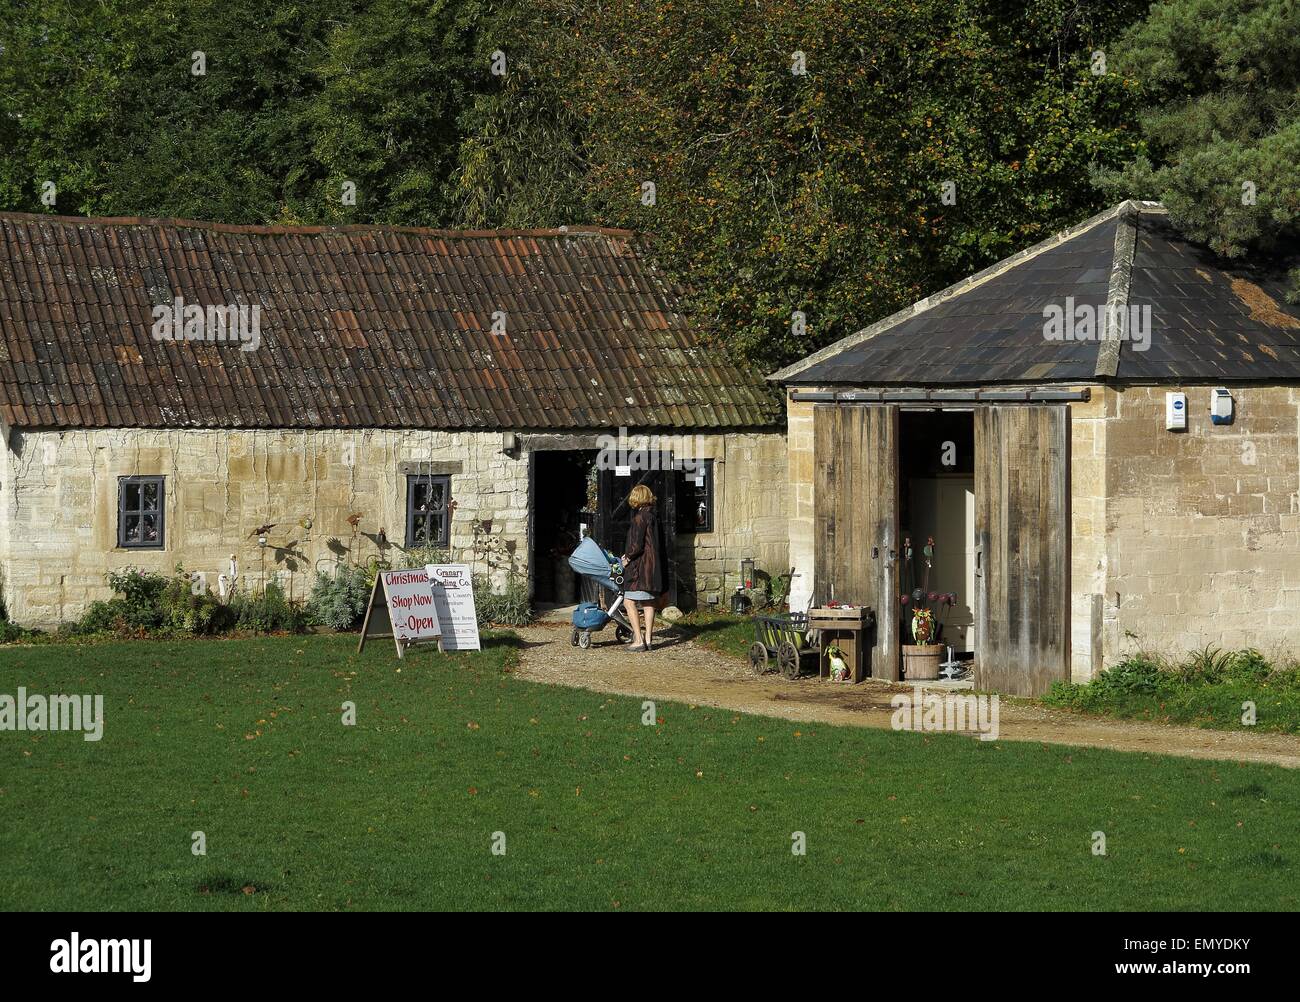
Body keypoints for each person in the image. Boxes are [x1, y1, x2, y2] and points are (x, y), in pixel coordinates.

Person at [621, 484, 663, 652]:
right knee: (648, 601)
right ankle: (649, 639)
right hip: (653, 566)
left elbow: (636, 545)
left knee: (628, 601)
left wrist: (627, 558)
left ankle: (638, 640)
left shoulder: (639, 518)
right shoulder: (654, 516)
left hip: (641, 566)